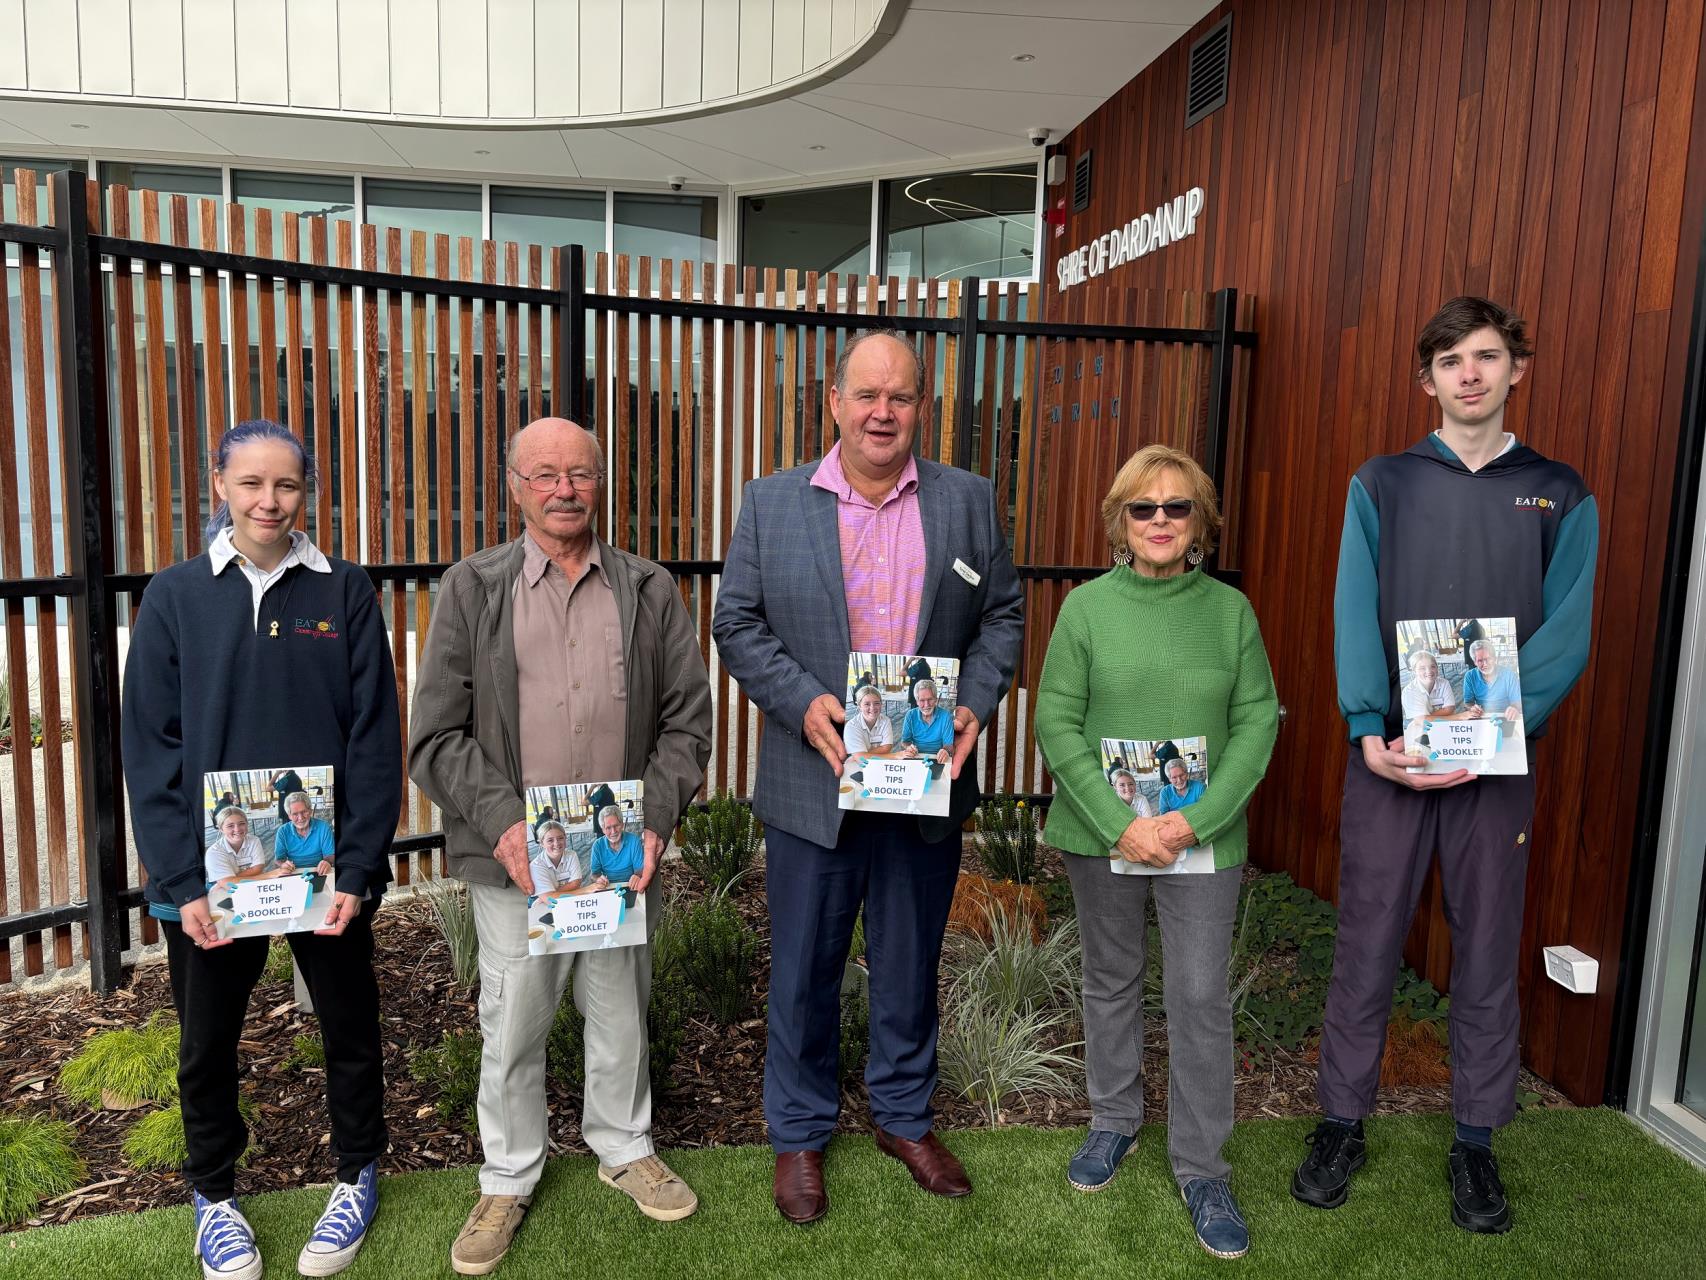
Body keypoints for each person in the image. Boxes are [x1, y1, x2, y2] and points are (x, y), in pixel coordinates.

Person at [1295, 297, 1597, 1235]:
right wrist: (1366, 728)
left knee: (1487, 948)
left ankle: (1476, 1141)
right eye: (1453, 360)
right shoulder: (1383, 482)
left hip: (1497, 768)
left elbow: (1569, 630)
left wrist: (1501, 728)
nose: (1472, 373)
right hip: (1389, 760)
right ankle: (1341, 1123)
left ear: (1517, 370)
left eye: (1490, 356)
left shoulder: (1559, 491)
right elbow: (1353, 607)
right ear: (1427, 379)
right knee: (1368, 942)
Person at [712, 329, 1023, 1225]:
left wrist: (974, 699)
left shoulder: (969, 501)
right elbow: (738, 624)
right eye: (867, 395)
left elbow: (1001, 617)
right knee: (804, 967)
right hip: (818, 782)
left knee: (909, 961)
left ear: (922, 406)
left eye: (901, 396)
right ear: (835, 403)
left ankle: (901, 1116)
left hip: (925, 786)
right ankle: (800, 1133)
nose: (883, 411)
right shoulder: (773, 504)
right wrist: (803, 702)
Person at [410, 417, 712, 1276]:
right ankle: (507, 1176)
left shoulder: (649, 589)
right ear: (515, 486)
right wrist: (507, 829)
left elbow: (687, 720)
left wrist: (652, 821)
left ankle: (625, 1146)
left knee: (620, 1011)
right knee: (513, 1026)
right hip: (517, 866)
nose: (563, 489)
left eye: (578, 473)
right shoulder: (474, 588)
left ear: (600, 481)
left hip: (618, 862)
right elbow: (436, 734)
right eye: (543, 475)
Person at [121, 419, 402, 1280]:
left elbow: (375, 739)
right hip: (208, 882)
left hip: (323, 876)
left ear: (305, 492)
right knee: (208, 1043)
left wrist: (356, 867)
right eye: (251, 484)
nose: (268, 502)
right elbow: (150, 745)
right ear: (219, 487)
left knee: (350, 1030)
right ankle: (214, 1195)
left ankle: (357, 1173)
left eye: (285, 486)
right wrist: (180, 878)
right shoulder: (174, 596)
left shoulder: (344, 591)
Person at [1034, 443, 1277, 1261]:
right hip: (1104, 834)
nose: (1162, 521)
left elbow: (1256, 724)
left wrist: (1188, 822)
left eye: (1178, 507)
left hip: (1199, 839)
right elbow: (1056, 724)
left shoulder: (1231, 613)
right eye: (1145, 508)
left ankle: (1202, 1165)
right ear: (1120, 522)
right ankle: (1113, 1121)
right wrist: (1120, 822)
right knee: (1110, 980)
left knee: (1201, 994)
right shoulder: (1086, 610)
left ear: (1201, 521)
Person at [274, 791, 335, 877]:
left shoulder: (323, 827)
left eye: (304, 812)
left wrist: (327, 862)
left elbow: (330, 855)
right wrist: (283, 865)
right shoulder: (283, 831)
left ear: (310, 811)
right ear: (289, 816)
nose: (301, 818)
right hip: (292, 872)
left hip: (319, 871)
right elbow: (279, 860)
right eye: (295, 814)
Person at [1460, 639, 1522, 722]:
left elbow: (1517, 701)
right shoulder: (1470, 676)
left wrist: (1514, 708)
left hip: (1506, 717)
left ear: (1494, 658)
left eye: (1488, 658)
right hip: (1482, 718)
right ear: (1474, 662)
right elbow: (1467, 702)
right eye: (1480, 660)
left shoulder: (1509, 675)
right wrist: (1472, 708)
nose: (1485, 664)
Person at [585, 806, 645, 891]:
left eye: (616, 825)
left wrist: (637, 876)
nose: (613, 832)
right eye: (608, 828)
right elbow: (594, 874)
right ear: (603, 830)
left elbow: (639, 870)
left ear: (622, 825)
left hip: (630, 886)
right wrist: (598, 879)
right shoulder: (598, 846)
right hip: (607, 887)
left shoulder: (634, 841)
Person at [898, 678, 953, 765]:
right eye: (922, 700)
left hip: (938, 758)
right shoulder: (910, 715)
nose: (926, 705)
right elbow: (905, 741)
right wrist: (909, 747)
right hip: (916, 756)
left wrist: (945, 750)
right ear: (916, 701)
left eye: (930, 699)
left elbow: (949, 744)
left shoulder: (945, 716)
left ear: (936, 699)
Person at [529, 821, 583, 897]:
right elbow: (550, 900)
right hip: (544, 904)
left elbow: (576, 883)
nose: (556, 843)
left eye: (560, 838)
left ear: (565, 838)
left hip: (569, 899)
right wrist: (585, 890)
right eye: (550, 840)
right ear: (541, 843)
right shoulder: (536, 865)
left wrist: (550, 894)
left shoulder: (571, 855)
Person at [1400, 650, 1456, 720]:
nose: (1429, 671)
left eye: (1432, 666)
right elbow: (1421, 722)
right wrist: (1458, 717)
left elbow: (1449, 709)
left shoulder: (1444, 683)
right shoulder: (1409, 691)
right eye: (1422, 668)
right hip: (1422, 728)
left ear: (1437, 667)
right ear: (1414, 671)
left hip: (1444, 724)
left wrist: (1426, 718)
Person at [843, 684, 896, 755]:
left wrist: (864, 754)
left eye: (876, 703)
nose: (872, 708)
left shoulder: (885, 720)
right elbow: (861, 759)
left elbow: (887, 748)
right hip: (857, 764)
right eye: (867, 704)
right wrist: (895, 756)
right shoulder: (852, 726)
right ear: (859, 706)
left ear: (881, 704)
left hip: (880, 761)